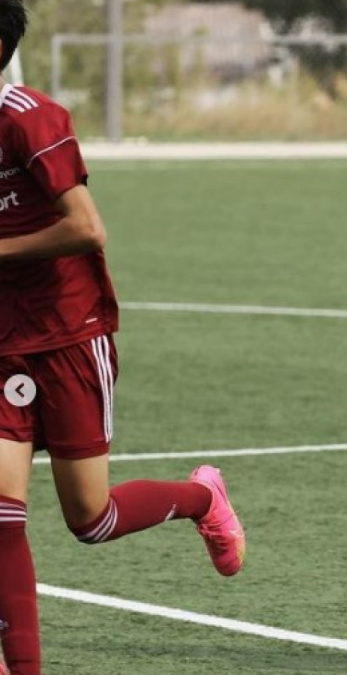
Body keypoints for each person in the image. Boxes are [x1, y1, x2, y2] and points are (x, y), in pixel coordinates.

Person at [0, 3, 245, 673]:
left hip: (71, 334)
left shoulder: (28, 116)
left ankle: (202, 497)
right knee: (0, 512)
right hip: (3, 343)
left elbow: (86, 228)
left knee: (91, 519)